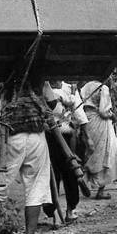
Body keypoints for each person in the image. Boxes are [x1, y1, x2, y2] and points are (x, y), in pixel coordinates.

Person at [0, 76, 54, 234]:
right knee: (36, 186)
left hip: (9, 133)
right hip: (37, 136)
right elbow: (53, 102)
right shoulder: (38, 70)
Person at [43, 80, 88, 223]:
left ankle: (71, 209)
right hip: (48, 137)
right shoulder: (43, 87)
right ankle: (54, 213)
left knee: (71, 173)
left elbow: (80, 115)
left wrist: (87, 137)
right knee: (51, 174)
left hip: (68, 137)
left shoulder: (70, 89)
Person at [81, 79, 117, 197]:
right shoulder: (102, 88)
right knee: (105, 153)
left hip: (88, 120)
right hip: (100, 122)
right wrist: (113, 116)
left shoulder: (86, 85)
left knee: (91, 152)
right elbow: (104, 112)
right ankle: (100, 190)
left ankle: (84, 179)